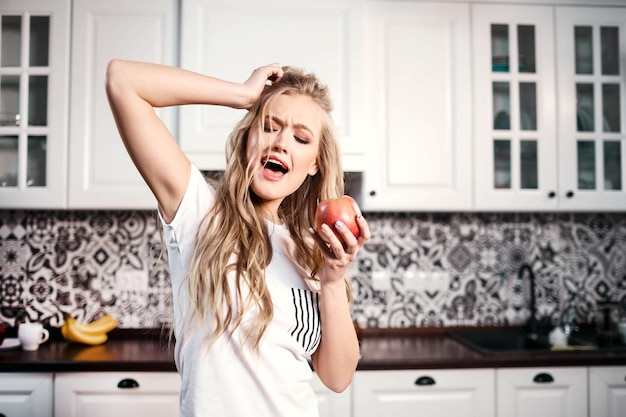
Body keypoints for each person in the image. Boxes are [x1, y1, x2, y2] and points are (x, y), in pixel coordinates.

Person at [105, 60, 370, 417]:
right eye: (268, 126)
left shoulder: (311, 251)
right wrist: (241, 95)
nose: (280, 143)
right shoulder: (202, 214)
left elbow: (337, 378)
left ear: (314, 164)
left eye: (300, 138)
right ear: (248, 138)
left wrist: (333, 279)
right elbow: (123, 80)